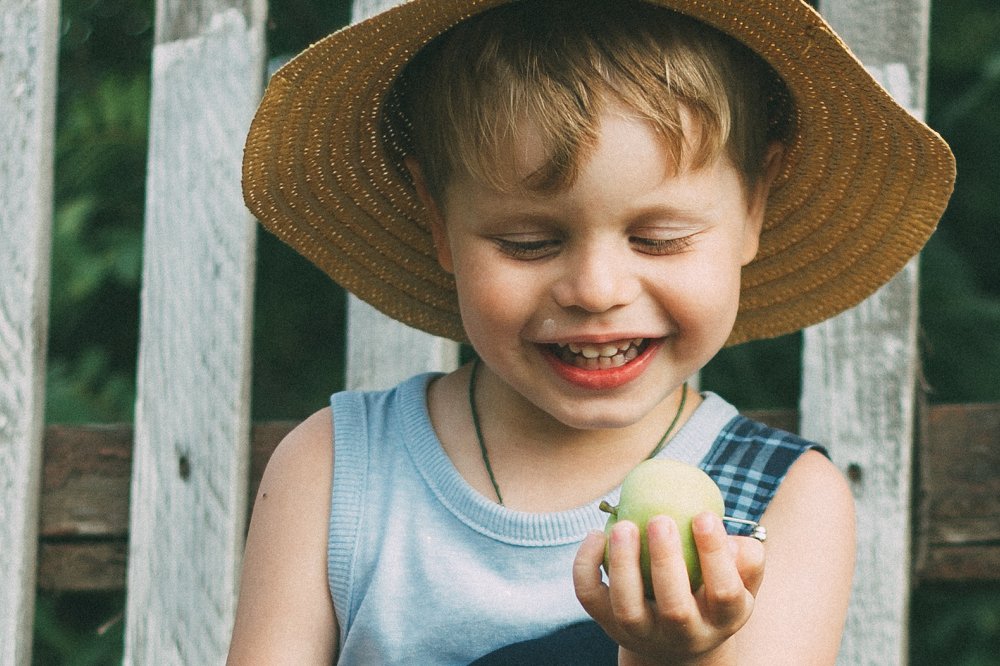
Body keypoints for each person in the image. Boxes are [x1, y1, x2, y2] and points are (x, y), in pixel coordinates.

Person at [229, 0, 954, 663]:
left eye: (659, 239)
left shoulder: (781, 503)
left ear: (754, 207)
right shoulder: (335, 472)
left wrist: (677, 657)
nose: (597, 290)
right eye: (528, 243)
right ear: (438, 218)